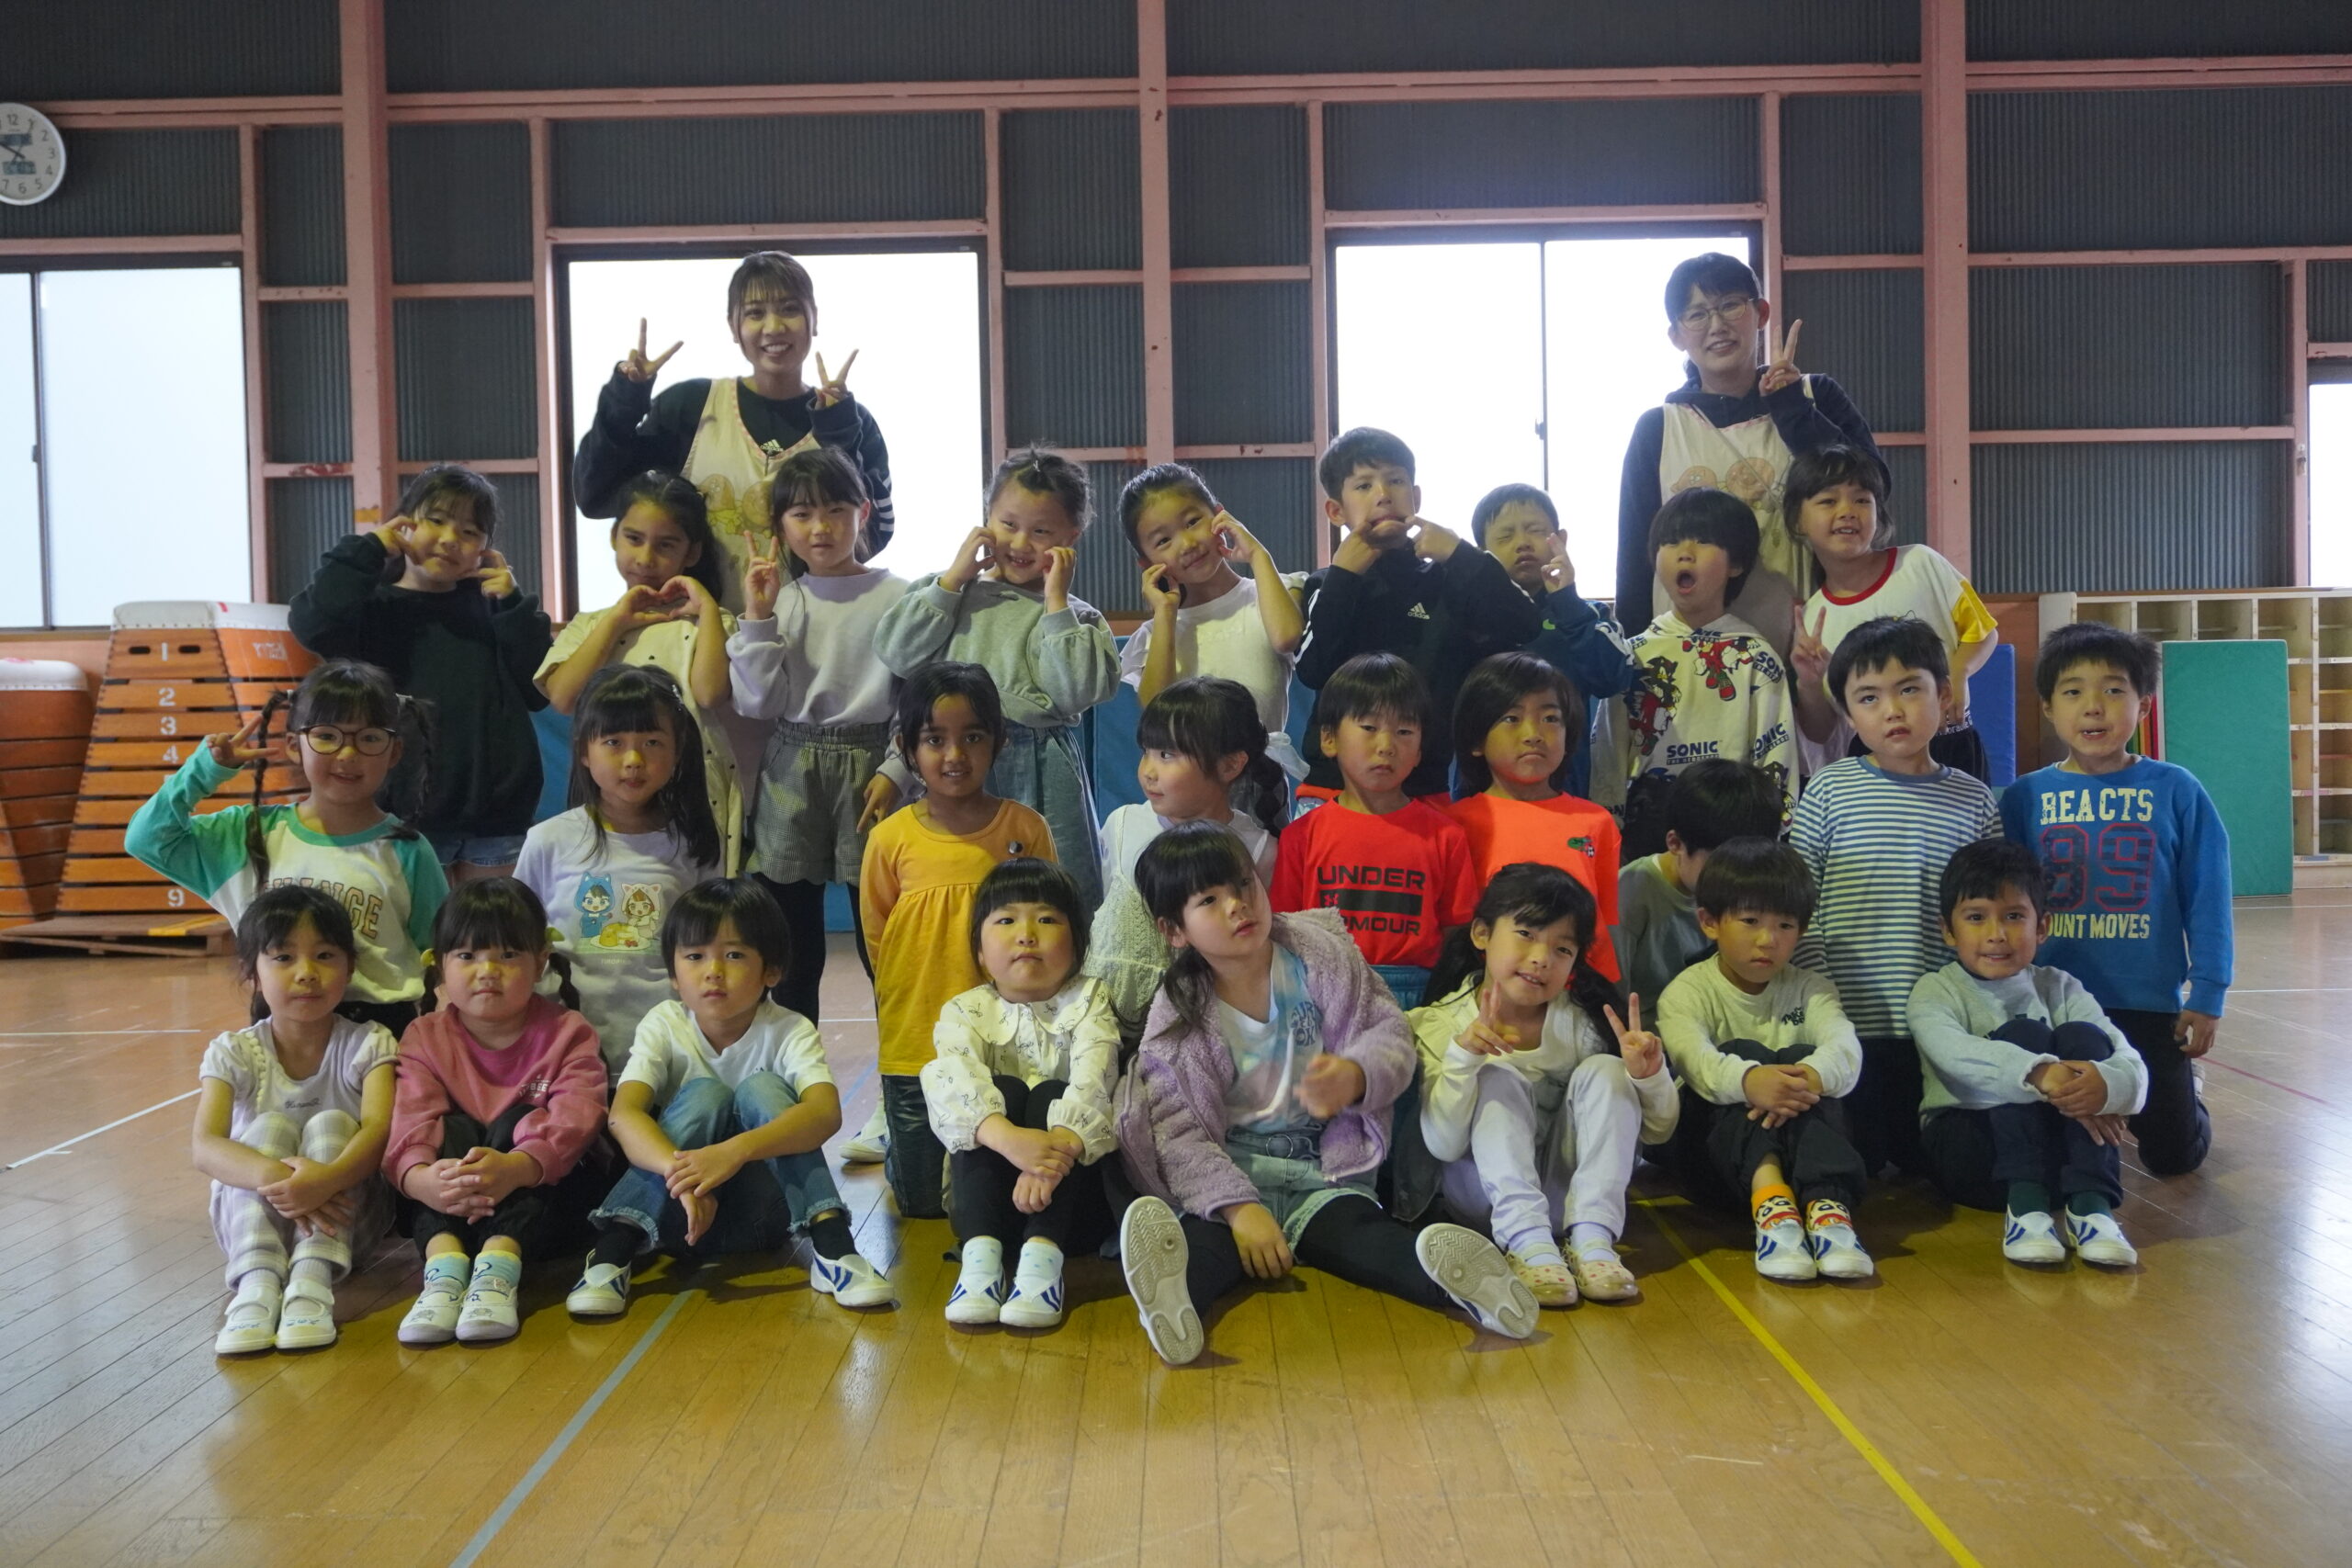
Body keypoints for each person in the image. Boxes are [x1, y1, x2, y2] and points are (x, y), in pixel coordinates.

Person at [1112, 824, 1539, 1366]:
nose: (1238, 906)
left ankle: (1467, 1286)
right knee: (1208, 1249)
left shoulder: (1323, 958)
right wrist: (1240, 1210)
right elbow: (1177, 1133)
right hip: (1232, 1177)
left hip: (1324, 1173)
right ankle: (1173, 1301)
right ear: (1175, 931)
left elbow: (1390, 1035)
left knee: (1365, 1239)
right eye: (1209, 901)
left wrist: (1357, 1075)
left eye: (1243, 885)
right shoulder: (1178, 1015)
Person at [566, 877, 895, 1319]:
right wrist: (685, 1175)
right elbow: (623, 1115)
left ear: (771, 971)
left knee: (762, 1088)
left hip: (765, 1218)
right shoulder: (664, 1023)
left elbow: (825, 1113)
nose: (713, 970)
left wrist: (732, 1152)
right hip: (676, 1216)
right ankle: (612, 1252)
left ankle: (834, 1246)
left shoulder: (789, 1029)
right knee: (706, 1093)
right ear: (673, 974)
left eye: (734, 955)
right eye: (694, 956)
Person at [2000, 622, 2230, 1179]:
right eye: (2073, 691)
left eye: (2113, 689)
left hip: (2146, 1002)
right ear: (2049, 708)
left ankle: (2189, 1095)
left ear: (2143, 706)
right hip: (2052, 1000)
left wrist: (2208, 992)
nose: (2094, 706)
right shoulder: (2024, 797)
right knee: (2052, 1146)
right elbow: (2003, 899)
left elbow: (2208, 894)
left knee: (2173, 1157)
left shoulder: (2177, 789)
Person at [128, 659, 445, 1039]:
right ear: (295, 746)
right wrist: (204, 772)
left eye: (370, 738)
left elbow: (440, 952)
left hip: (381, 1031)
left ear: (394, 752)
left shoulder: (408, 850)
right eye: (327, 736)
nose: (348, 754)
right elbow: (146, 839)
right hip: (279, 1033)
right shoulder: (250, 834)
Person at [1412, 864, 1677, 1307]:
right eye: (1526, 934)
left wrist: (1648, 1076)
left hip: (1567, 1204)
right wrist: (1464, 1059)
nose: (1541, 958)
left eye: (1562, 949)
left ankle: (1593, 1240)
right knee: (1495, 1074)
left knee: (1608, 1069)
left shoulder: (1583, 1023)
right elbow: (1443, 1145)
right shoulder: (1439, 1024)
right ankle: (1527, 1244)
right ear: (1481, 934)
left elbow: (1660, 1131)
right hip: (1484, 1204)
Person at [1792, 616, 1999, 1179]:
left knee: (1938, 1165)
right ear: (1847, 713)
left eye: (1909, 689)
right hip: (1848, 1022)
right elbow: (1799, 901)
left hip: (1940, 1027)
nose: (1892, 710)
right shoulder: (1830, 790)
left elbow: (1989, 916)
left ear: (1944, 696)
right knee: (1858, 1157)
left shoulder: (1975, 801)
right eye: (1869, 697)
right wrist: (1822, 1000)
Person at [572, 251, 895, 603]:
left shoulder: (849, 420)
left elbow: (873, 537)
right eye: (755, 313)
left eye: (789, 309)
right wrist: (623, 401)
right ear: (733, 326)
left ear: (813, 318)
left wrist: (838, 436)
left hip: (812, 628)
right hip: (697, 627)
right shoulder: (690, 406)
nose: (774, 327)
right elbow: (595, 497)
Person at [875, 446, 1119, 910]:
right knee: (960, 888)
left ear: (1072, 536)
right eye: (1008, 524)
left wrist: (1056, 604)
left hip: (1042, 769)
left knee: (1056, 895)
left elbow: (1075, 694)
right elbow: (897, 654)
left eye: (1041, 531)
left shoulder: (1078, 618)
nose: (1021, 543)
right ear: (986, 518)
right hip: (955, 758)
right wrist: (952, 581)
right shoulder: (949, 592)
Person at [288, 463, 550, 880]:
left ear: (485, 547)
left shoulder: (497, 610)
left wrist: (514, 604)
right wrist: (370, 548)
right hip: (404, 817)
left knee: (499, 924)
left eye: (469, 531)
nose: (450, 539)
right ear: (404, 523)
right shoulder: (371, 610)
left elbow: (540, 689)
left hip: (498, 821)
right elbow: (311, 623)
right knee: (416, 925)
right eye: (437, 520)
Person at [860, 663, 1056, 1220]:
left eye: (972, 737)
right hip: (917, 1044)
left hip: (1004, 1044)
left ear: (999, 741)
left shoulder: (1025, 830)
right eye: (934, 740)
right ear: (907, 747)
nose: (954, 755)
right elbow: (879, 941)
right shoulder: (889, 839)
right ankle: (899, 1148)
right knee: (923, 1205)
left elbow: (1051, 930)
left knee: (998, 1193)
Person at [1615, 251, 1885, 650]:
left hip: (1808, 651)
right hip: (1682, 660)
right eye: (1697, 315)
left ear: (1761, 312)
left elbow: (1872, 487)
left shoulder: (1816, 396)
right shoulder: (1658, 428)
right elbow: (1635, 554)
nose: (1717, 326)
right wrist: (1630, 659)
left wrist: (1792, 409)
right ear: (1676, 336)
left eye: (1730, 305)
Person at [385, 880, 610, 1346]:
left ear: (540, 962)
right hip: (450, 1207)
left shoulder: (568, 1031)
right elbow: (409, 1121)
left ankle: (497, 1271)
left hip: (546, 1211)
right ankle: (444, 1273)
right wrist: (422, 1181)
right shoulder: (424, 1036)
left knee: (518, 1121)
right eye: (467, 956)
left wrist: (515, 1167)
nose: (487, 971)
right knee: (448, 1132)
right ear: (439, 965)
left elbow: (578, 1116)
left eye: (508, 955)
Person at [728, 446, 908, 1025]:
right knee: (792, 949)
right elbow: (756, 703)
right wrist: (757, 616)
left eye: (835, 510)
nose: (820, 527)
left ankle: (900, 1070)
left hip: (875, 765)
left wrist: (897, 768)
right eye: (801, 514)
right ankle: (797, 1067)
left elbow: (916, 698)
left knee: (883, 941)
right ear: (779, 527)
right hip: (792, 766)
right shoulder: (780, 600)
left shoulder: (900, 597)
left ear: (863, 512)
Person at [1909, 840, 2146, 1268]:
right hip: (1973, 1156)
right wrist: (2040, 1073)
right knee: (2024, 1034)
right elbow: (1955, 1056)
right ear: (1947, 930)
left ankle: (2091, 1208)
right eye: (1976, 917)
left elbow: (2126, 1056)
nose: (1996, 934)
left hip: (2058, 1159)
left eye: (2014, 916)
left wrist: (2107, 1087)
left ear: (2042, 926)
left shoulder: (2060, 986)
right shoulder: (1935, 991)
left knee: (2085, 1037)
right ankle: (2026, 1210)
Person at [1657, 838, 1872, 1283]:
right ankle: (1773, 1208)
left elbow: (1846, 1051)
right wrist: (1751, 1081)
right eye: (1750, 921)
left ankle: (1828, 1211)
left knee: (1805, 1062)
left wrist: (1805, 1077)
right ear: (1709, 922)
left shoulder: (1812, 988)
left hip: (1803, 1163)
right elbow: (1695, 1062)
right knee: (1747, 1055)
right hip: (1714, 1164)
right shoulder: (1686, 991)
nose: (1767, 940)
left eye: (1785, 925)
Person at [195, 887, 400, 1354]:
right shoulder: (234, 1051)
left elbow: (378, 1130)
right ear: (253, 972)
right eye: (284, 958)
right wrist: (285, 1180)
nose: (307, 973)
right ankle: (256, 1286)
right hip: (252, 1220)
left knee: (333, 1123)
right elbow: (205, 1146)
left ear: (350, 966)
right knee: (268, 1129)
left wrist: (325, 1180)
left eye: (324, 956)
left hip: (349, 1222)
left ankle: (312, 1282)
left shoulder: (370, 1043)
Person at [1294, 428, 1544, 805]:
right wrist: (1343, 577)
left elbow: (1524, 624)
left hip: (1425, 788)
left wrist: (1460, 553)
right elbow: (1312, 669)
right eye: (1364, 485)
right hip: (1333, 789)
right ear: (1336, 511)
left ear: (1416, 496)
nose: (1383, 494)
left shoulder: (1448, 578)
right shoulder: (1328, 584)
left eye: (1395, 481)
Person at [924, 860, 1120, 1329]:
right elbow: (951, 1084)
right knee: (1002, 1091)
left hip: (1072, 1216)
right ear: (979, 949)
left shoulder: (1090, 999)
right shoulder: (965, 1010)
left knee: (1053, 1092)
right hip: (984, 1208)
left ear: (1078, 943)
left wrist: (1049, 1161)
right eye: (1006, 920)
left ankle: (1040, 1267)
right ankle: (980, 1267)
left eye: (1047, 919)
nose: (1027, 935)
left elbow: (1095, 1078)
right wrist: (1012, 1141)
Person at [515, 665, 724, 1077]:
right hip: (566, 1063)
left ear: (677, 751)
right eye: (613, 742)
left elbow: (709, 951)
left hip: (668, 1058)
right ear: (584, 751)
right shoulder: (548, 841)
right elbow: (518, 942)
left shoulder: (693, 845)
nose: (633, 760)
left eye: (652, 742)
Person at [536, 471, 742, 870]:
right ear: (614, 536)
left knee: (696, 898)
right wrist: (616, 621)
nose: (646, 558)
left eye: (666, 545)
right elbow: (562, 697)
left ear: (691, 553)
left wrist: (706, 609)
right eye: (633, 538)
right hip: (613, 791)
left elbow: (709, 693)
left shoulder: (712, 622)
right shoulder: (591, 625)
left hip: (694, 793)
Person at [1269, 652, 1476, 1008]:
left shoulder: (1446, 836)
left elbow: (1457, 932)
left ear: (1420, 750)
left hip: (1417, 996)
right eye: (1368, 727)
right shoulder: (1302, 835)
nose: (1386, 746)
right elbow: (1285, 931)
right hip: (1323, 990)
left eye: (1404, 732)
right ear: (1329, 739)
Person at [1086, 677, 1287, 1042]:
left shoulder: (1258, 849)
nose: (1148, 771)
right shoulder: (1123, 824)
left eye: (1167, 755)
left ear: (1230, 765)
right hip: (1106, 1022)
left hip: (1199, 1029)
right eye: (1146, 751)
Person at [1784, 445, 1999, 779]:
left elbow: (1984, 634)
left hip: (1952, 744)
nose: (1847, 511)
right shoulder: (1812, 619)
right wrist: (1810, 685)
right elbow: (1821, 731)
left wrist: (1958, 673)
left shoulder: (1921, 563)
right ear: (1798, 519)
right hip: (1872, 762)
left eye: (1862, 500)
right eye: (1828, 501)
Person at [1605, 488, 1796, 853]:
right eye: (1671, 541)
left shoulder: (1756, 657)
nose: (1685, 552)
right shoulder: (1632, 656)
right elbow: (1608, 753)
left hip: (1731, 829)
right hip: (1645, 830)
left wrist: (1767, 843)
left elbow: (1777, 759)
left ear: (1736, 564)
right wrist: (1608, 829)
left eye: (1704, 541)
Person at [1118, 462, 1307, 797]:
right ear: (1147, 563)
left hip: (1260, 785)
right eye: (1164, 540)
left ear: (1220, 516)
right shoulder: (1156, 633)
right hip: (1184, 793)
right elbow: (1155, 709)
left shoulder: (1273, 592)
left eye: (1192, 522)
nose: (1186, 543)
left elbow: (1286, 637)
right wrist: (1165, 614)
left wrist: (1258, 555)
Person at [1446, 651, 1623, 982]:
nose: (1533, 734)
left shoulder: (1596, 822)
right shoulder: (1453, 825)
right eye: (1511, 718)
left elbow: (1602, 929)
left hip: (1579, 995)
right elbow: (1453, 931)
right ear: (1476, 740)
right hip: (1490, 992)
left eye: (1550, 718)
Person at [1471, 482, 1635, 799]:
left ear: (1561, 540)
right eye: (1505, 536)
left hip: (1568, 789)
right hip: (1483, 795)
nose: (1522, 543)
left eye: (1535, 531)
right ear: (1481, 554)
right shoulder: (1469, 618)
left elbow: (1613, 679)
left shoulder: (1588, 614)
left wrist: (1567, 603)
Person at [1616, 758, 1785, 1008]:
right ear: (1675, 843)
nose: (1736, 878)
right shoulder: (1629, 895)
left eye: (1748, 863)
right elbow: (1609, 998)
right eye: (1721, 862)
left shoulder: (1754, 884)